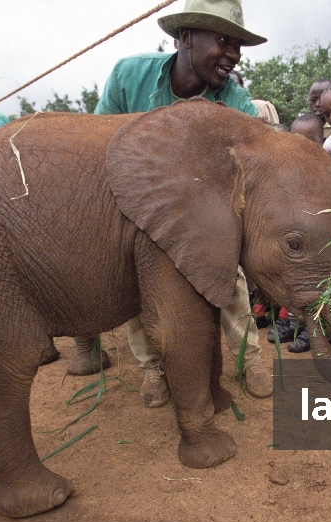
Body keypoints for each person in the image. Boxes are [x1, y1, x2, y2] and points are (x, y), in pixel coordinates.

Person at [95, 0, 272, 405]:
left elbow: (253, 164)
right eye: (224, 40)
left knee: (231, 280)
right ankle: (153, 369)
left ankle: (250, 360)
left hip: (206, 209)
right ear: (186, 38)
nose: (233, 54)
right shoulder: (129, 76)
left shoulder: (235, 101)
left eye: (238, 44)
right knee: (137, 289)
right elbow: (99, 143)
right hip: (139, 204)